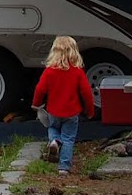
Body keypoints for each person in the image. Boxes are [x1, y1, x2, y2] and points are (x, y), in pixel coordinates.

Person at [31, 35, 95, 175]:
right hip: (72, 112)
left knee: (52, 127)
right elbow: (86, 93)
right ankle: (64, 167)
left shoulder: (49, 71)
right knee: (69, 138)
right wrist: (90, 111)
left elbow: (40, 88)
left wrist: (36, 105)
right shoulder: (77, 71)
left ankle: (54, 141)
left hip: (53, 110)